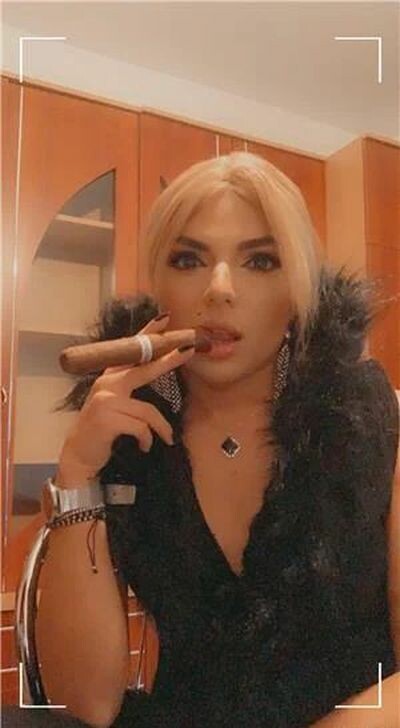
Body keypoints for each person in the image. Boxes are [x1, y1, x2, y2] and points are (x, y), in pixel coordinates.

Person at [36, 152, 399, 728]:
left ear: (297, 292)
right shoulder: (127, 438)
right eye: (188, 259)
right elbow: (87, 703)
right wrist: (77, 472)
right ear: (159, 286)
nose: (220, 289)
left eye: (261, 260)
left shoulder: (372, 416)